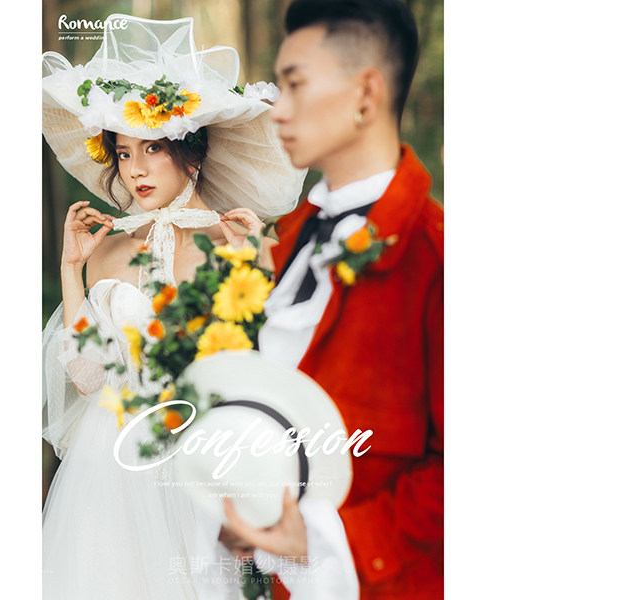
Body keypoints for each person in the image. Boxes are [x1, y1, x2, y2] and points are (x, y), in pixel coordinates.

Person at [40, 15, 306, 599]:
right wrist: (70, 270)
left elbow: (273, 372)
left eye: (152, 148)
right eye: (123, 152)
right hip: (108, 471)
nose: (134, 169)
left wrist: (259, 271)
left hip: (202, 460)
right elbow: (87, 377)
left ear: (191, 152)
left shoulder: (237, 243)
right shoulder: (108, 250)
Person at [219, 1, 444, 598]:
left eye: (295, 84)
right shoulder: (287, 243)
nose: (278, 110)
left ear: (366, 94)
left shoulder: (434, 258)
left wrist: (327, 540)